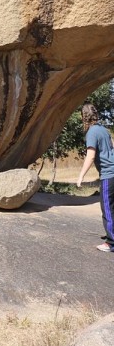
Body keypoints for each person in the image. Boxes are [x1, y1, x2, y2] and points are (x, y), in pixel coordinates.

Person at [76, 103, 114, 252]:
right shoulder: (104, 130)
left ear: (83, 117)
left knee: (108, 209)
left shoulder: (92, 132)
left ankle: (111, 243)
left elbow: (90, 156)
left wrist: (80, 176)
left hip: (108, 175)